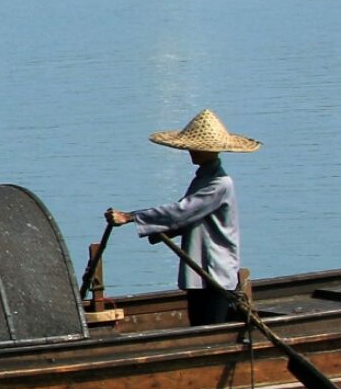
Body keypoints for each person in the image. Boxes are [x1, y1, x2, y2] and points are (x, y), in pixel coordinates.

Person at [108, 108, 259, 327]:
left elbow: (182, 211)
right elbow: (184, 217)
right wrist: (158, 228)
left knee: (210, 330)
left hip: (215, 273)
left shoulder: (220, 184)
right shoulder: (202, 179)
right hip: (199, 271)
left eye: (197, 148)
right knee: (198, 325)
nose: (192, 151)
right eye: (191, 147)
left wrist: (131, 217)